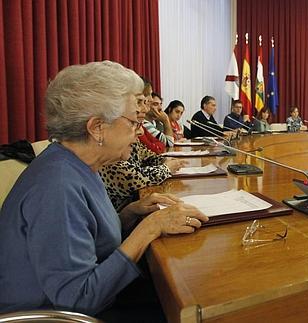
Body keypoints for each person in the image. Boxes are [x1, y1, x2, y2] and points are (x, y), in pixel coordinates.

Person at [0, 61, 209, 318]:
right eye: (133, 121)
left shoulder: (78, 163)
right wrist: (150, 228)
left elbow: (88, 239)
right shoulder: (58, 186)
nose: (139, 131)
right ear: (97, 127)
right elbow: (79, 301)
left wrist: (130, 213)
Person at [100, 92, 187, 211]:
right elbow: (135, 177)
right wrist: (166, 168)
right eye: (134, 123)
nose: (141, 131)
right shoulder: (107, 155)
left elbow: (149, 155)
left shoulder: (128, 142)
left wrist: (164, 160)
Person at [137, 80, 167, 154]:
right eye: (139, 102)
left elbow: (161, 144)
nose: (151, 99)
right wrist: (166, 120)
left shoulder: (141, 125)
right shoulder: (141, 124)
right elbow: (156, 149)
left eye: (161, 104)